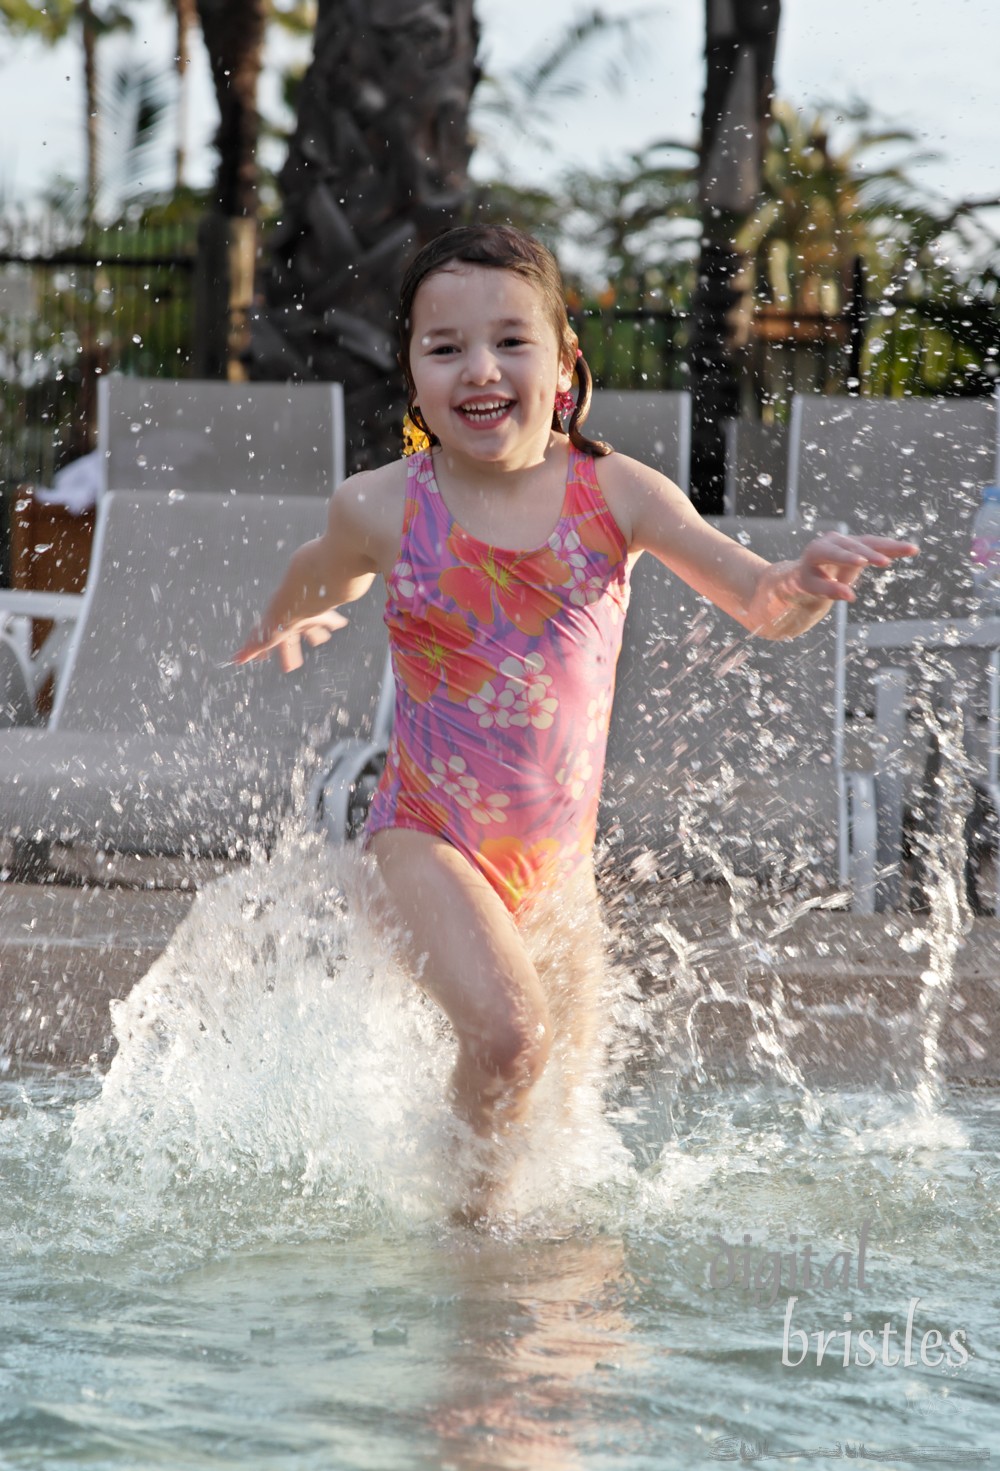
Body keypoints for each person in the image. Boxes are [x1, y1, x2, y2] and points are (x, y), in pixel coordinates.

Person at [234, 224, 916, 1213]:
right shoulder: (383, 505)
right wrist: (284, 618)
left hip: (558, 881)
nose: (480, 367)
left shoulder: (615, 494)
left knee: (557, 1139)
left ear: (564, 367)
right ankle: (464, 1267)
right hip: (424, 842)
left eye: (512, 341)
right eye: (445, 347)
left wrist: (803, 583)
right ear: (415, 380)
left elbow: (760, 603)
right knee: (513, 1044)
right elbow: (315, 569)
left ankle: (500, 1285)